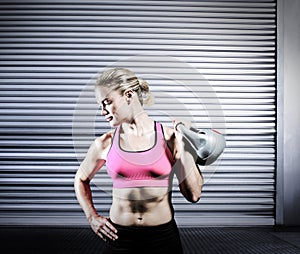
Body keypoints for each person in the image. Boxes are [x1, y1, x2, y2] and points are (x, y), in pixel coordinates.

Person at [74, 67, 203, 254]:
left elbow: (193, 195)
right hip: (119, 238)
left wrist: (185, 145)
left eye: (107, 102)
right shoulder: (105, 143)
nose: (103, 111)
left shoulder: (170, 138)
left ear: (128, 95)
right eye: (100, 105)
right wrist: (91, 217)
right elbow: (81, 179)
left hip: (162, 239)